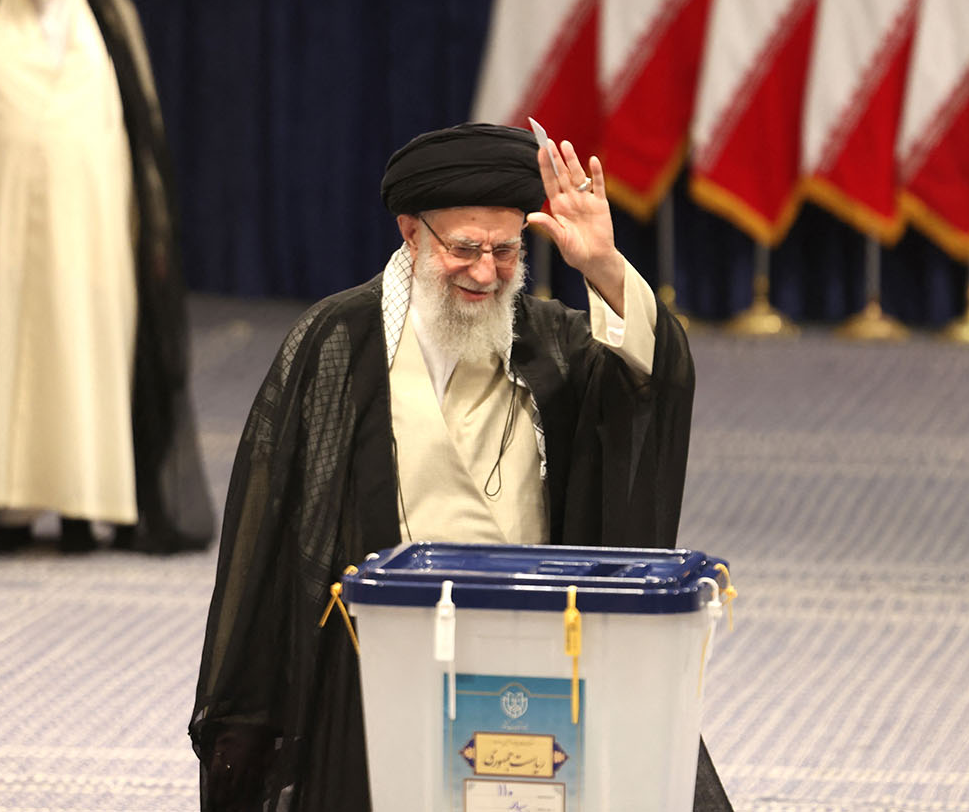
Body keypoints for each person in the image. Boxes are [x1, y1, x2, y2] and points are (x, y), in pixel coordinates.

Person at [190, 123, 731, 810]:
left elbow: (650, 386)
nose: (486, 272)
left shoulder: (552, 342)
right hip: (383, 660)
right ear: (411, 234)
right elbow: (275, 531)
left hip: (531, 651)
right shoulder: (337, 342)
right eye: (465, 249)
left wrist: (605, 269)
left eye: (507, 251)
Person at [0, 0, 213, 555]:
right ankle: (7, 508)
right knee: (6, 352)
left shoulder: (110, 9)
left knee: (89, 352)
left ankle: (89, 504)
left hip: (96, 234)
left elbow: (144, 128)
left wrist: (152, 232)